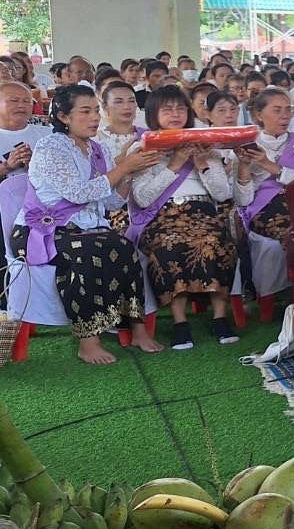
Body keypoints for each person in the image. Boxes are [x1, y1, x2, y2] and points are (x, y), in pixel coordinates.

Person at [13, 85, 163, 364]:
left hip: (83, 229)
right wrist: (125, 166)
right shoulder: (50, 147)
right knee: (88, 251)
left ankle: (137, 329)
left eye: (95, 110)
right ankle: (88, 339)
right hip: (42, 229)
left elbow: (110, 203)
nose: (94, 117)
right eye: (85, 111)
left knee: (123, 245)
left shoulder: (97, 148)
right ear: (64, 116)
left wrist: (129, 174)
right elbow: (78, 194)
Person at [129, 86, 240, 350]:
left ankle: (220, 317)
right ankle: (180, 322)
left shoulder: (203, 141)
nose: (176, 114)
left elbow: (222, 193)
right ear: (154, 114)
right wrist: (175, 164)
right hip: (162, 216)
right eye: (167, 109)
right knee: (169, 246)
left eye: (181, 108)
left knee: (215, 240)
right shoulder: (143, 146)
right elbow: (143, 198)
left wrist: (202, 163)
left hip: (203, 213)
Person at [234, 87, 294, 243]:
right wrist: (244, 166)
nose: (285, 116)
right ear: (259, 115)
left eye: (288, 109)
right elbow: (243, 200)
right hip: (265, 207)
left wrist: (268, 164)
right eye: (277, 110)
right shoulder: (246, 146)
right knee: (291, 235)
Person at [95, 80, 144, 165]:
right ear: (105, 107)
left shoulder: (147, 135)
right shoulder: (96, 140)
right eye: (119, 102)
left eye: (131, 101)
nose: (127, 107)